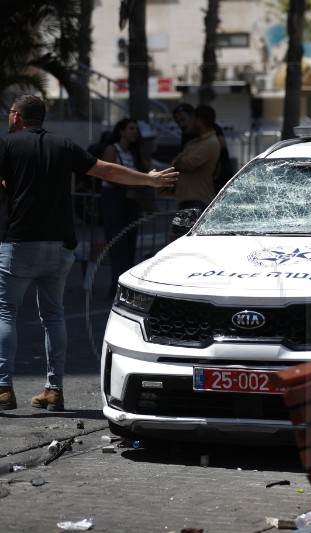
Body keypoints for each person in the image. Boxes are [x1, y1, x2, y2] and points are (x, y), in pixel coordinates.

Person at [0, 95, 178, 412]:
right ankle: (54, 389)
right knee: (53, 316)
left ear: (16, 117)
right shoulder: (63, 145)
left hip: (20, 242)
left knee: (6, 313)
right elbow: (107, 172)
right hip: (60, 245)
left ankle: (3, 389)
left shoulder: (8, 146)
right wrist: (148, 180)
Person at [99, 118, 147, 296]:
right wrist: (132, 184)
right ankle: (117, 287)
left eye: (136, 129)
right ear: (121, 131)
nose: (135, 132)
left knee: (130, 245)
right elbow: (108, 176)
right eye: (131, 128)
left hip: (130, 203)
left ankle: (125, 287)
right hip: (115, 202)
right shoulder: (113, 149)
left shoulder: (133, 153)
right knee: (118, 245)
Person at [172, 103, 233, 193]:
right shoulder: (186, 136)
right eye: (178, 122)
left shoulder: (210, 130)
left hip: (220, 182)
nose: (181, 125)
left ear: (194, 117)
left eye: (183, 119)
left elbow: (220, 145)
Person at [171, 104, 220, 211]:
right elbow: (175, 163)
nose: (181, 124)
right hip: (188, 201)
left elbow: (183, 165)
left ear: (199, 119)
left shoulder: (210, 143)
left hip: (199, 201)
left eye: (184, 119)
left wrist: (179, 162)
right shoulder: (194, 142)